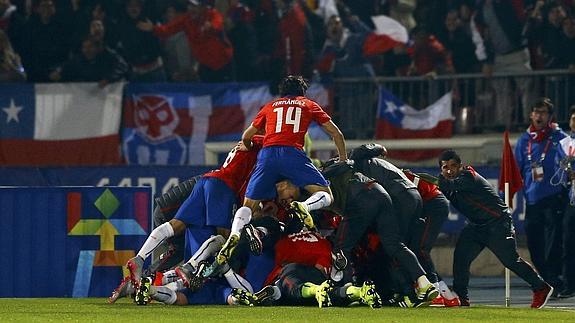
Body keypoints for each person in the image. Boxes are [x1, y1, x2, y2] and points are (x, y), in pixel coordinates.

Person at [215, 75, 346, 266]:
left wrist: (247, 145)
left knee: (248, 205)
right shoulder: (308, 104)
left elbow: (246, 135)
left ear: (282, 92)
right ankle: (305, 207)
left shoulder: (270, 106)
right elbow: (336, 133)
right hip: (293, 154)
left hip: (267, 156)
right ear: (302, 92)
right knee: (326, 195)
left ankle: (234, 235)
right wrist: (343, 159)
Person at [124, 136, 263, 289]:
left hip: (207, 179)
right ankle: (190, 267)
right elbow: (273, 141)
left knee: (175, 225)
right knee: (223, 237)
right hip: (223, 186)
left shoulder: (250, 145)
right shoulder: (261, 141)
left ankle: (139, 258)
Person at [437, 149, 554, 308]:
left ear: (461, 166)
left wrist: (433, 180)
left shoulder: (468, 176)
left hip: (497, 223)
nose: (450, 170)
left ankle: (541, 287)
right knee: (461, 259)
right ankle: (461, 298)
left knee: (510, 260)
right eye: (445, 167)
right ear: (441, 169)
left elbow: (449, 185)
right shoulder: (450, 182)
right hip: (476, 225)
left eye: (453, 166)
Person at [514, 97, 567, 294]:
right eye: (536, 112)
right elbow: (515, 171)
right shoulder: (523, 141)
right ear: (530, 115)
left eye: (543, 112)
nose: (539, 115)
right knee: (534, 244)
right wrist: (506, 194)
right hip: (532, 200)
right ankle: (548, 280)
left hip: (555, 197)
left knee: (553, 244)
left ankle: (554, 282)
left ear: (550, 117)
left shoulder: (559, 137)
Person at [555, 106, 575, 298]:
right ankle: (569, 284)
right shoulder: (564, 144)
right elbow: (557, 174)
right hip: (571, 199)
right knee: (568, 242)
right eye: (573, 118)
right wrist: (566, 174)